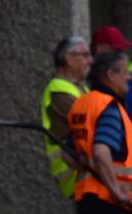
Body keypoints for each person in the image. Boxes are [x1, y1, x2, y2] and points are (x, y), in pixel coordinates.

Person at [66, 52, 132, 214]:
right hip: (112, 201)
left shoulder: (82, 103)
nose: (129, 77)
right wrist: (116, 190)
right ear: (111, 74)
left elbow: (67, 154)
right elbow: (101, 151)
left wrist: (88, 162)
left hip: (88, 197)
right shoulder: (108, 106)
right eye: (125, 72)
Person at [41, 36, 92, 198]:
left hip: (84, 171)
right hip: (74, 173)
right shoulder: (59, 90)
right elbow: (90, 125)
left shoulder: (80, 87)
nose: (90, 60)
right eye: (85, 55)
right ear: (69, 59)